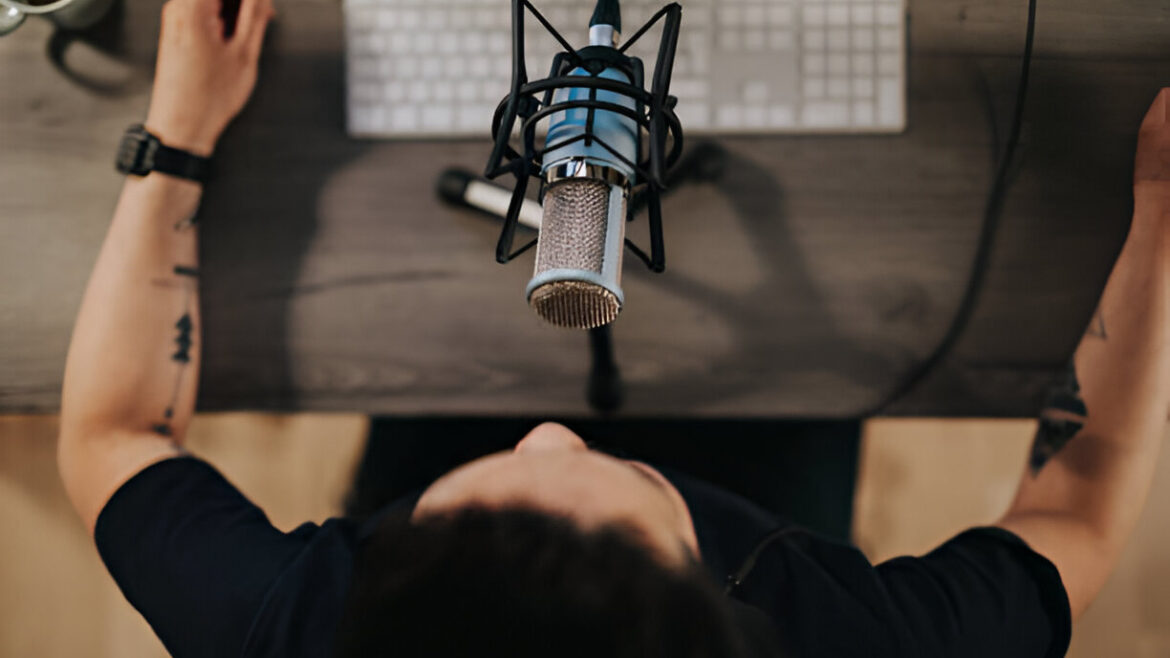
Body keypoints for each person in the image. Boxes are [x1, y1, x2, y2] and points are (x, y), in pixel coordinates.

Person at [57, 0, 1170, 655]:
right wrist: (1165, 207)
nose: (546, 434)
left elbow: (109, 437)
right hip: (774, 488)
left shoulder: (299, 624)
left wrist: (177, 140)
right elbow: (1078, 509)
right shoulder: (843, 635)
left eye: (468, 512)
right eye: (616, 493)